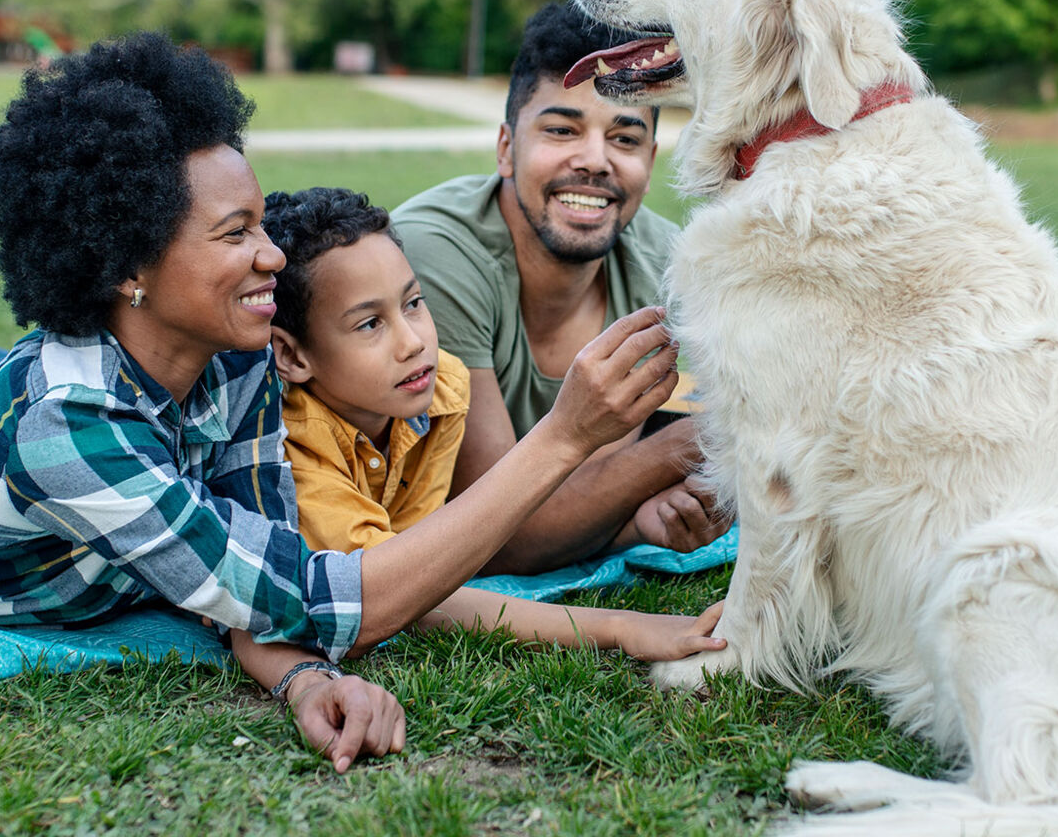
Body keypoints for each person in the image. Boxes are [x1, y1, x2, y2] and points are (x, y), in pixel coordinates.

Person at [0, 34, 685, 770]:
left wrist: (300, 677)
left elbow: (251, 566)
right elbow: (339, 597)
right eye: (236, 233)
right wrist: (566, 438)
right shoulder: (70, 432)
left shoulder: (235, 354)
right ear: (125, 264)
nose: (272, 256)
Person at [263, 185, 725, 658]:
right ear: (292, 356)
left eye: (414, 303)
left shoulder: (441, 390)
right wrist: (617, 626)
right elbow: (390, 594)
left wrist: (630, 530)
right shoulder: (293, 443)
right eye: (369, 324)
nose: (413, 342)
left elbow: (429, 556)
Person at [393, 3, 729, 574]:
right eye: (561, 130)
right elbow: (496, 535)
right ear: (506, 147)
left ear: (649, 160)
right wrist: (700, 442)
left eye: (624, 139)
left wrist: (634, 523)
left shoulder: (665, 264)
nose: (595, 160)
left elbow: (591, 490)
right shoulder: (435, 256)